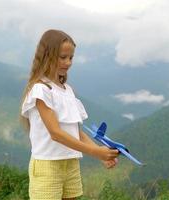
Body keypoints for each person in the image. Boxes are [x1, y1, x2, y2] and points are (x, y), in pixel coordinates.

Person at [19, 29, 119, 200]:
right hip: (47, 164)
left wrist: (101, 154)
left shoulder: (68, 91)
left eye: (71, 57)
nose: (68, 62)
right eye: (62, 57)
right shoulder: (41, 89)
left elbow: (75, 131)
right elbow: (56, 134)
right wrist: (96, 152)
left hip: (70, 162)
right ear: (47, 56)